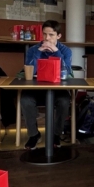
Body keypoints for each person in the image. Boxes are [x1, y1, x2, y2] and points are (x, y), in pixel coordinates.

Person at [21, 20, 74, 150]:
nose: (47, 38)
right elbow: (30, 72)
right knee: (25, 100)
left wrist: (56, 52)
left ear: (58, 36)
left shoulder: (66, 51)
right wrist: (38, 53)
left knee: (64, 101)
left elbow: (66, 72)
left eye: (51, 35)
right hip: (36, 89)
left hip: (57, 89)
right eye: (44, 34)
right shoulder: (33, 49)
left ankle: (56, 134)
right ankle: (34, 135)